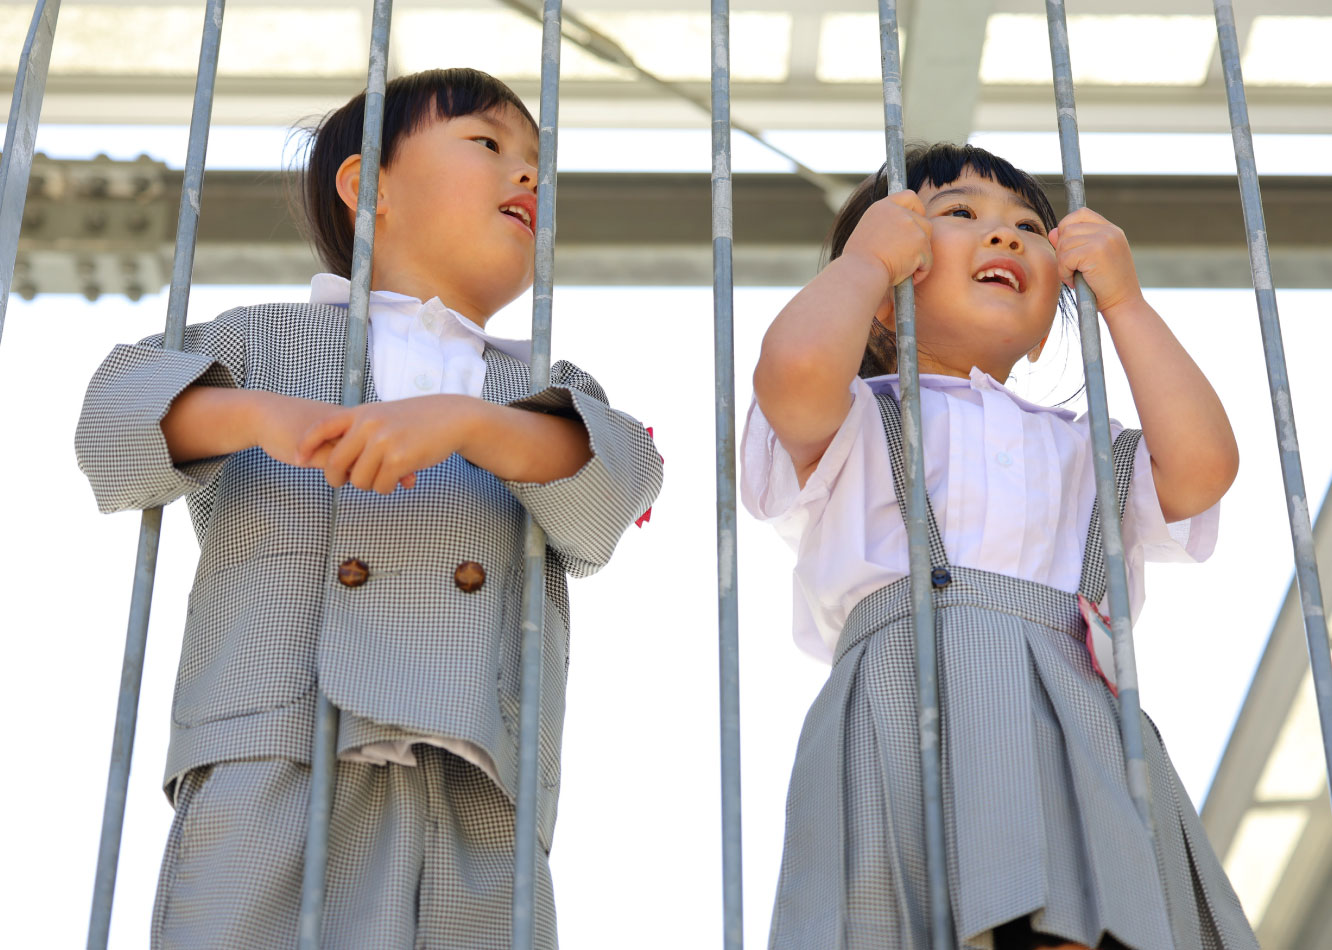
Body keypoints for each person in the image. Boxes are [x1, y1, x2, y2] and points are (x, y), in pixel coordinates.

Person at [75, 67, 662, 950]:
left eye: (540, 163)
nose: (528, 176)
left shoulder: (540, 388)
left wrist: (467, 422)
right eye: (490, 145)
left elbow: (611, 491)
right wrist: (258, 413)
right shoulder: (259, 340)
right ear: (369, 186)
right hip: (275, 741)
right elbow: (113, 425)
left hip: (473, 769)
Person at [742, 143, 1256, 950]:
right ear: (885, 294)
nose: (1006, 236)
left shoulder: (1084, 445)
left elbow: (1203, 467)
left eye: (1029, 227)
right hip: (916, 702)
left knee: (1095, 917)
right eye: (959, 215)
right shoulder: (856, 419)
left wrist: (1125, 304)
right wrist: (863, 262)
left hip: (1076, 719)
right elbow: (797, 366)